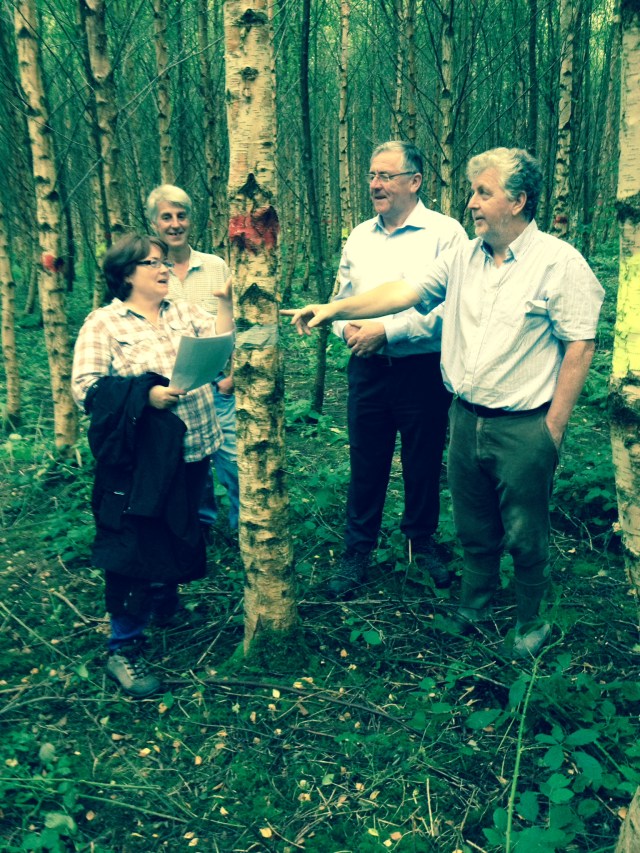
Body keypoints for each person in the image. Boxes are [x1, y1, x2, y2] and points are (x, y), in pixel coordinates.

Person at [286, 147, 604, 658]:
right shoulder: (462, 257)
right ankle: (475, 606)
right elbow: (404, 291)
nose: (472, 203)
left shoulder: (559, 264)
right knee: (474, 526)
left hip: (524, 425)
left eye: (484, 192)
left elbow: (580, 343)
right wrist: (334, 307)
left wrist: (553, 429)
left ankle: (530, 623)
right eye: (473, 192)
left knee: (525, 534)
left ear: (519, 200)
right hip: (465, 415)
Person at [72, 234, 233, 696]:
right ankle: (123, 647)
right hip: (143, 461)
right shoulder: (103, 323)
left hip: (196, 445)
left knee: (183, 527)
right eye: (150, 263)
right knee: (135, 544)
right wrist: (147, 396)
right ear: (125, 274)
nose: (163, 269)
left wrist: (223, 305)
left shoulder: (181, 312)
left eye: (163, 262)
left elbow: (219, 348)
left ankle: (166, 601)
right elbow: (85, 387)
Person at [324, 140, 467, 599]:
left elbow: (454, 308)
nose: (375, 185)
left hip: (421, 370)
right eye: (371, 176)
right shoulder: (359, 236)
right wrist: (346, 330)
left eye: (385, 176)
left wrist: (389, 330)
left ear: (414, 181)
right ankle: (357, 550)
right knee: (366, 460)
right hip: (366, 369)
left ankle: (420, 544)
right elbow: (341, 298)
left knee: (423, 461)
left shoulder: (446, 234)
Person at [146, 185, 240, 536]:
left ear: (191, 220)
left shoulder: (215, 266)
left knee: (233, 460)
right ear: (154, 223)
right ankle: (198, 531)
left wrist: (234, 375)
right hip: (174, 390)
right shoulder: (149, 271)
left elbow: (240, 319)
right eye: (166, 217)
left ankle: (247, 532)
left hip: (219, 385)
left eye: (181, 216)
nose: (174, 224)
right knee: (189, 463)